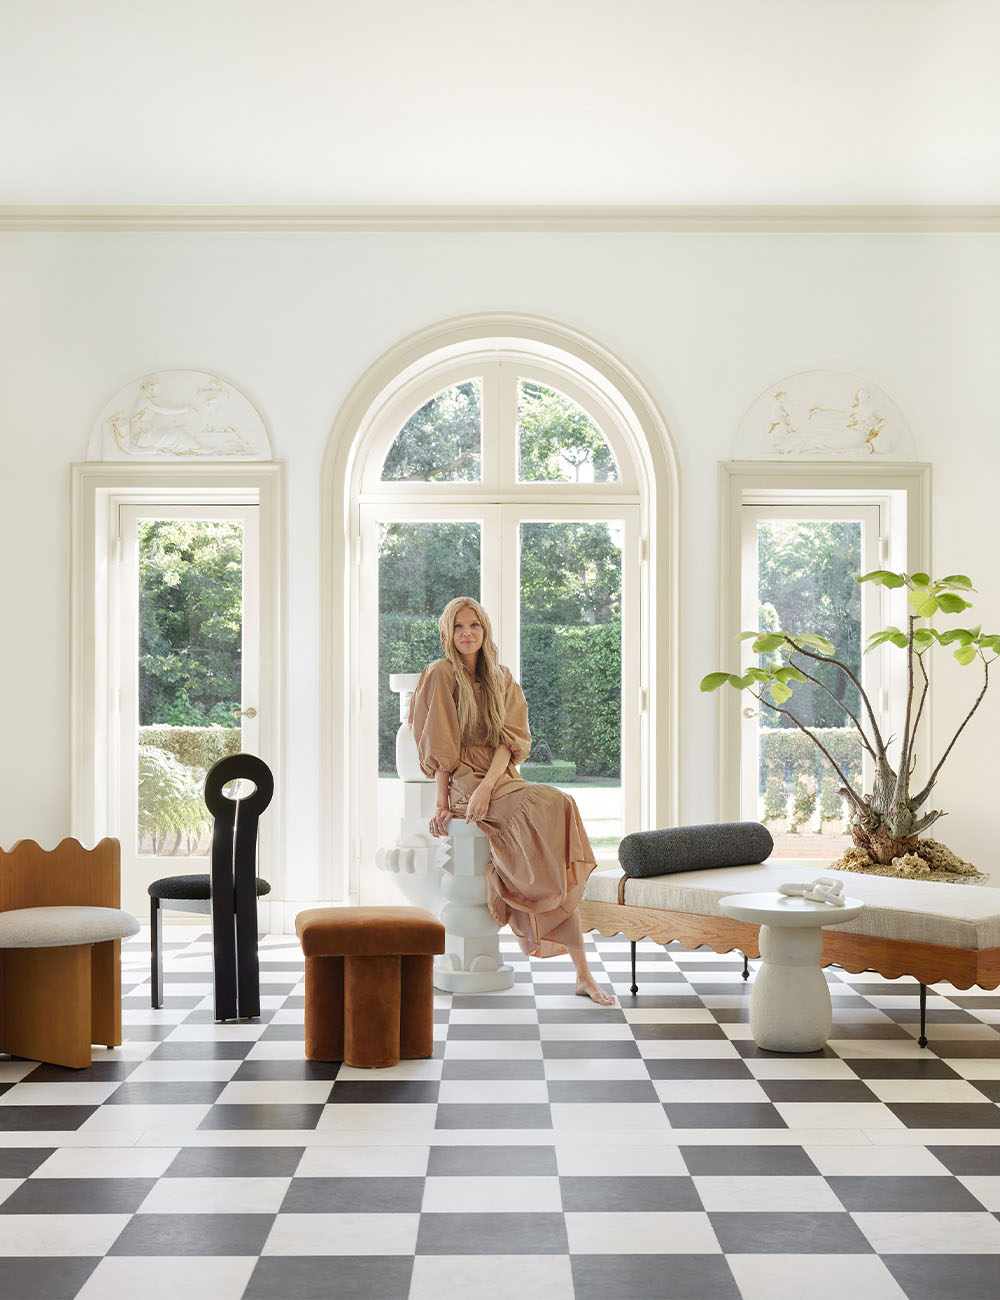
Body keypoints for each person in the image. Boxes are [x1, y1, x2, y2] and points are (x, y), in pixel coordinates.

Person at [408, 596, 615, 1006]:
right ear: (448, 633)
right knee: (535, 813)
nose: (467, 634)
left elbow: (512, 740)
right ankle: (508, 885)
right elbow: (441, 746)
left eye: (475, 626)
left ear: (485, 631)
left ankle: (582, 973)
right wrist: (443, 802)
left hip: (498, 779)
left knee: (559, 803)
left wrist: (491, 785)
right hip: (462, 778)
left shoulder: (502, 677)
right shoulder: (440, 674)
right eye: (458, 627)